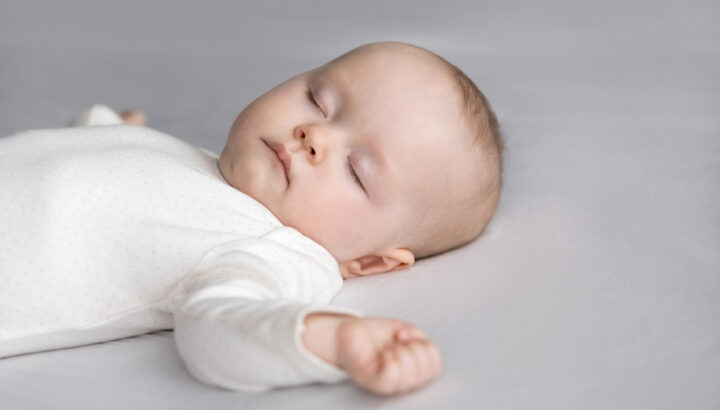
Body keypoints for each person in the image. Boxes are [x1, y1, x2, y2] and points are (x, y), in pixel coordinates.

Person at [0, 41, 503, 396]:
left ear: (370, 261)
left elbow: (217, 329)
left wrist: (332, 337)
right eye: (319, 100)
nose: (313, 135)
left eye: (356, 170)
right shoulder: (199, 159)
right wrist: (112, 130)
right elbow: (100, 171)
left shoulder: (272, 249)